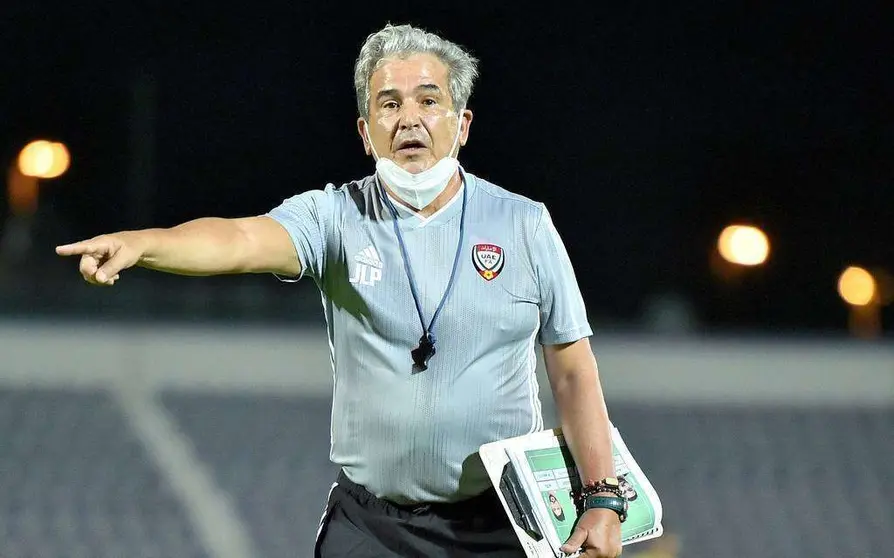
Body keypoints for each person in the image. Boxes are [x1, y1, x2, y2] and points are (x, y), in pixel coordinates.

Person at [56, 23, 623, 558]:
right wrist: (143, 243)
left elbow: (572, 369)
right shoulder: (334, 217)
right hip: (371, 526)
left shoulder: (524, 224)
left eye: (428, 101)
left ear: (463, 123)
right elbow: (240, 239)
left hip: (502, 521)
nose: (409, 120)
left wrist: (603, 498)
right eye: (389, 103)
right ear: (365, 130)